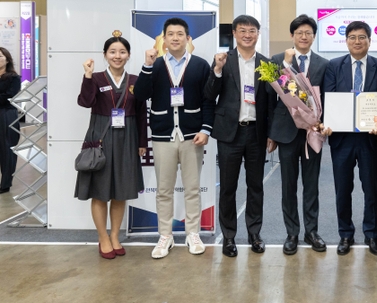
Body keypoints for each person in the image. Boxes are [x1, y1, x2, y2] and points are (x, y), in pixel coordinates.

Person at [133, 18, 214, 259]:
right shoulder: (155, 65)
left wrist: (206, 129)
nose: (175, 38)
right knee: (164, 189)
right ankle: (165, 235)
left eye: (180, 34)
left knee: (192, 188)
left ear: (188, 39)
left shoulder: (200, 65)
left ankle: (193, 233)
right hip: (162, 135)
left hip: (192, 136)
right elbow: (141, 95)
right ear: (164, 39)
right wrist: (146, 66)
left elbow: (208, 100)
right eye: (170, 34)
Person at [204, 15, 276, 258]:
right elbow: (209, 94)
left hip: (256, 133)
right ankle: (229, 236)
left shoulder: (267, 64)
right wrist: (216, 70)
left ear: (258, 34)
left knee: (255, 186)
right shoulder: (223, 60)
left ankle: (254, 234)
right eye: (242, 30)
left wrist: (272, 133)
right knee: (228, 187)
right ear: (234, 33)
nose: (247, 34)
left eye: (252, 30)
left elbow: (272, 102)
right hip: (230, 133)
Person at [75, 33, 147, 259]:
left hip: (128, 137)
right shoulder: (96, 78)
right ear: (105, 55)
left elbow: (142, 112)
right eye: (113, 52)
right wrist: (87, 76)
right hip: (101, 137)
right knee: (100, 191)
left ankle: (115, 235)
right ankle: (103, 237)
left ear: (129, 55)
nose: (117, 56)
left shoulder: (135, 80)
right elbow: (85, 102)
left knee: (121, 191)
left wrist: (142, 142)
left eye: (122, 52)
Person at [269, 14, 330, 255]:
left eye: (308, 33)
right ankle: (292, 233)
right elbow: (270, 99)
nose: (304, 36)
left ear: (314, 36)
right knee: (288, 185)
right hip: (286, 133)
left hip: (312, 132)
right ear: (292, 35)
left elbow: (327, 98)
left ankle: (311, 231)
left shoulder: (324, 64)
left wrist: (324, 124)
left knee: (311, 184)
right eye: (299, 33)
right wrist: (270, 133)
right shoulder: (278, 61)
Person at [324, 21, 377, 256]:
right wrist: (328, 122)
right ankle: (345, 234)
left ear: (370, 40)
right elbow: (329, 98)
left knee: (371, 189)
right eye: (352, 37)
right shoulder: (334, 66)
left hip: (370, 139)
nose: (357, 41)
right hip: (342, 139)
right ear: (346, 40)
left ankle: (371, 234)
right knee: (343, 190)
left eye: (362, 37)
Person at [0, 48, 21, 194]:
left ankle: (5, 183)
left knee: (7, 148)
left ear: (7, 60)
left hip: (6, 114)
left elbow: (9, 96)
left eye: (0, 56)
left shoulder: (13, 78)